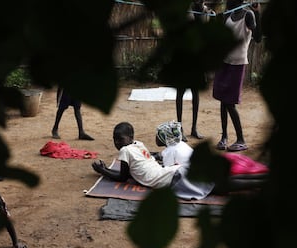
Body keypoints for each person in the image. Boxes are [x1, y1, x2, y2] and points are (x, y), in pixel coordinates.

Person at [92, 122, 215, 200]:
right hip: (171, 172)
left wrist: (103, 171)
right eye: (115, 139)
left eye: (120, 139)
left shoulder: (125, 150)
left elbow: (122, 177)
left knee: (217, 187)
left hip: (168, 178)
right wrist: (106, 169)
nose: (117, 143)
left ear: (130, 138)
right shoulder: (138, 144)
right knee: (216, 184)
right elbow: (134, 170)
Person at [213, 0, 262, 151]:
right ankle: (224, 137)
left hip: (237, 64)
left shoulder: (248, 15)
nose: (227, 1)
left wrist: (258, 14)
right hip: (224, 62)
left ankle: (241, 139)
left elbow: (258, 38)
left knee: (229, 102)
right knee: (222, 99)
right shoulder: (229, 15)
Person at [176, 0, 216, 141]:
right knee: (180, 93)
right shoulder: (185, 12)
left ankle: (194, 128)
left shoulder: (206, 13)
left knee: (195, 94)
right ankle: (179, 128)